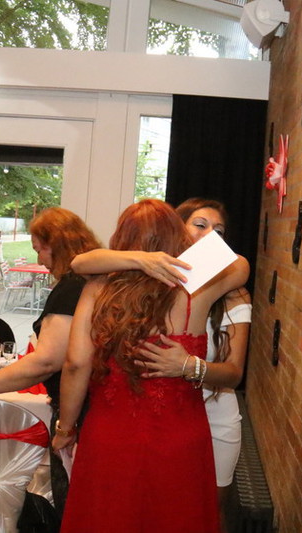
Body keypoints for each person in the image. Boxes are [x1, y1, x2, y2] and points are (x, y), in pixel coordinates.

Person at [53, 199, 249, 532]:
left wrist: (66, 429)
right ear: (177, 236)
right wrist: (145, 260)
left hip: (110, 435)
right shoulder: (195, 286)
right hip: (180, 438)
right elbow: (240, 265)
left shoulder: (98, 289)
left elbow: (76, 364)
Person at [0, 207, 101, 518]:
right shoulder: (94, 281)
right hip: (96, 409)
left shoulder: (72, 287)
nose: (40, 260)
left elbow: (47, 361)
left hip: (82, 414)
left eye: (40, 250)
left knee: (72, 509)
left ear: (56, 245)